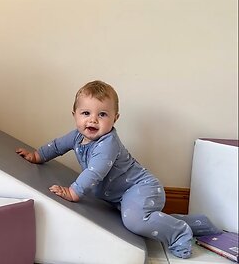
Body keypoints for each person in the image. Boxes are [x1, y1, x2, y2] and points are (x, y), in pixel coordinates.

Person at [16, 80, 193, 259]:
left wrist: (73, 192)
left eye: (102, 114)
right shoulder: (77, 136)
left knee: (135, 221)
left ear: (115, 118)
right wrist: (37, 156)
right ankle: (195, 224)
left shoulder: (108, 144)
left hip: (141, 188)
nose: (93, 119)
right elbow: (56, 146)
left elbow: (95, 171)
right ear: (75, 115)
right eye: (86, 113)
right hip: (121, 195)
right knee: (139, 216)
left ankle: (179, 232)